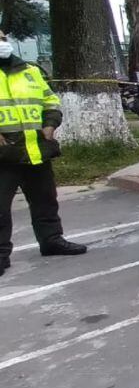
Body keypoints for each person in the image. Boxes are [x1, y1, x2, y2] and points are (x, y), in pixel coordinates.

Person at [0, 30, 85, 277]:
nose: (1, 43)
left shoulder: (30, 70)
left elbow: (50, 101)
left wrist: (50, 123)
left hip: (35, 148)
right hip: (3, 155)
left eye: (3, 39)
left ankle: (51, 241)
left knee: (45, 200)